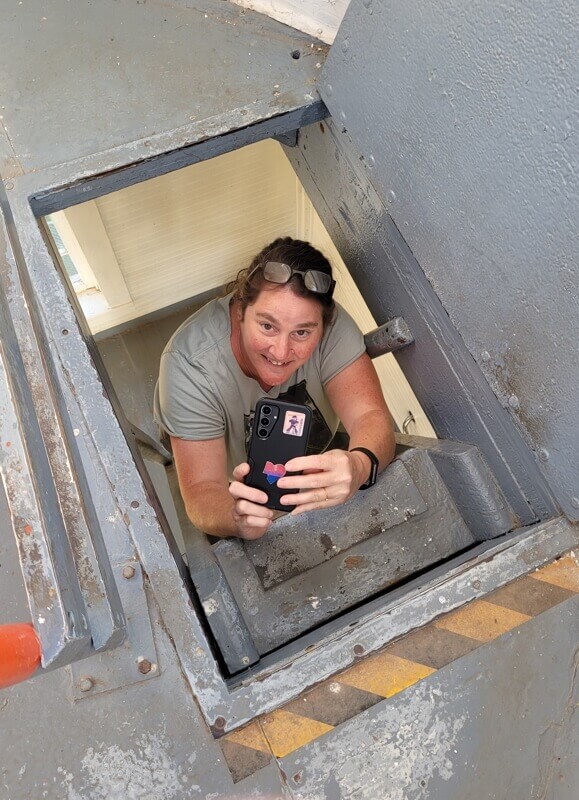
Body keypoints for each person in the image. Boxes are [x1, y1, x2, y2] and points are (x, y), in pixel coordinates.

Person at [154, 237, 395, 541]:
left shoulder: (333, 327)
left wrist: (360, 465)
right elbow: (202, 490)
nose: (281, 353)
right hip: (236, 482)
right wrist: (234, 517)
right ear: (240, 311)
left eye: (302, 333)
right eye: (267, 326)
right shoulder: (189, 367)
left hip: (310, 464)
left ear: (323, 325)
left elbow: (370, 414)